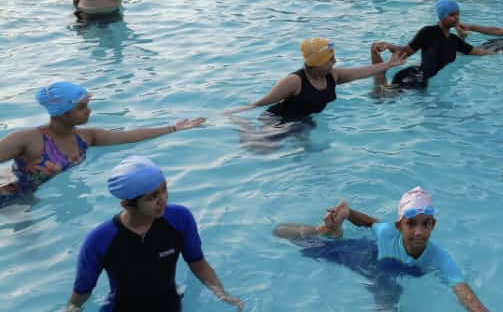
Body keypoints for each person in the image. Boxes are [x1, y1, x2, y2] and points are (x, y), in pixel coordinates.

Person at [64, 156, 243, 312]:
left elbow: (198, 263)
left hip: (169, 304)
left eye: (164, 189)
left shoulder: (180, 219)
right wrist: (71, 308)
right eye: (152, 197)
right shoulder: (100, 239)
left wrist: (221, 293)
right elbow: (82, 291)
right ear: (127, 204)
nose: (162, 200)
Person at [271, 188, 492, 312]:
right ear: (399, 226)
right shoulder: (388, 232)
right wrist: (346, 214)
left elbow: (466, 296)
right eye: (411, 224)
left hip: (388, 279)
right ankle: (326, 230)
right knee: (283, 232)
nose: (419, 232)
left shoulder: (439, 257)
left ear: (433, 225)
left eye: (426, 224)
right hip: (364, 256)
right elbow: (369, 223)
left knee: (387, 300)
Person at [0, 83, 203, 207]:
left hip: (37, 195)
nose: (88, 111)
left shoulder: (87, 137)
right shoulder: (28, 139)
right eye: (81, 107)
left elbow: (130, 136)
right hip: (10, 195)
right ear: (62, 111)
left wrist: (173, 129)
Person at [226, 38, 402, 125]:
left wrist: (388, 64)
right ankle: (243, 126)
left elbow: (362, 72)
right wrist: (231, 114)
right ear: (317, 63)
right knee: (261, 150)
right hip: (278, 122)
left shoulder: (332, 75)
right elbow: (260, 104)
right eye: (330, 59)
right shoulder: (294, 81)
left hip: (304, 122)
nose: (334, 62)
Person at [369, 0, 495, 90]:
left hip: (428, 79)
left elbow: (476, 52)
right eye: (452, 15)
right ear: (442, 16)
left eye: (458, 14)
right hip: (416, 75)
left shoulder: (454, 40)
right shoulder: (428, 32)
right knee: (382, 97)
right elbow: (405, 52)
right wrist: (389, 45)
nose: (456, 18)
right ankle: (379, 74)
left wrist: (498, 54)